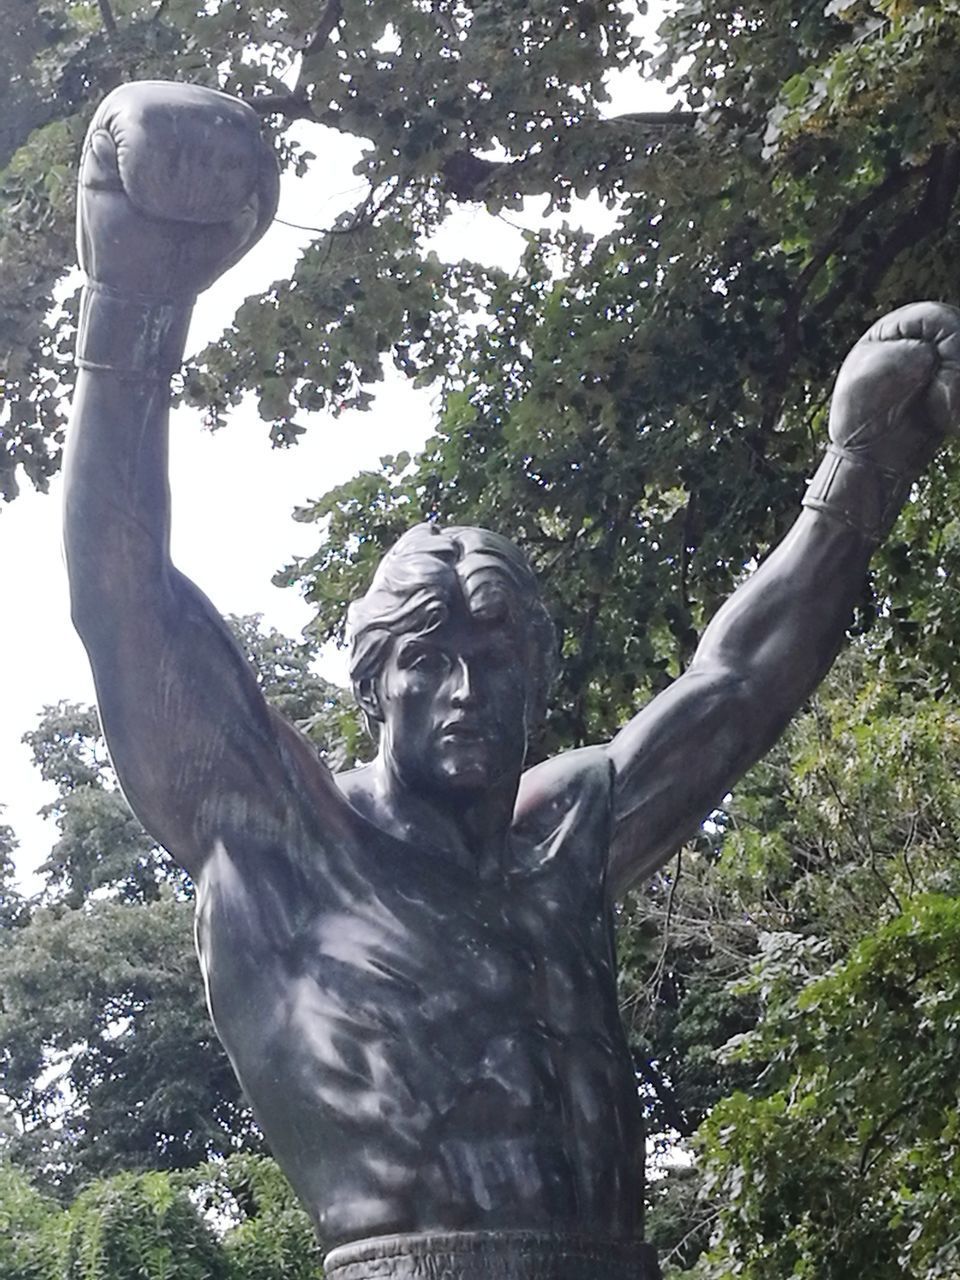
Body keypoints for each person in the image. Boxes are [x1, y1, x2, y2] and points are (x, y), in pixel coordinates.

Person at [64, 81, 960, 1270]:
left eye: (495, 661)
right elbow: (127, 592)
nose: (466, 695)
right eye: (428, 663)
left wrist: (861, 476)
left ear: (539, 674)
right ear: (373, 681)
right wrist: (131, 308)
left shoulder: (567, 835)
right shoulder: (285, 841)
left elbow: (737, 686)